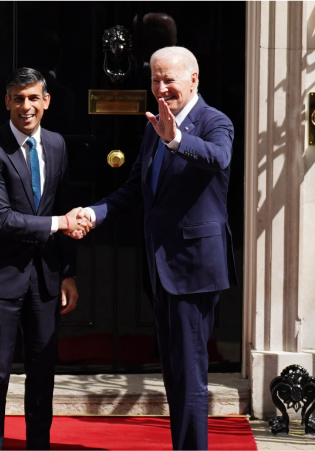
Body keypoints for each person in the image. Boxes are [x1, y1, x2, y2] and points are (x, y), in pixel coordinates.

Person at [76, 46, 237, 451]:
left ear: (194, 79)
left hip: (195, 268)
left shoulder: (215, 122)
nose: (161, 88)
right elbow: (136, 189)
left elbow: (218, 158)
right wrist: (95, 213)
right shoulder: (153, 127)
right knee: (174, 373)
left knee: (190, 374)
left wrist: (177, 139)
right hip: (161, 267)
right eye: (155, 80)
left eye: (170, 79)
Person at [0, 67, 90, 451]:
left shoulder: (56, 145)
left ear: (46, 101)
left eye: (33, 98)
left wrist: (68, 273)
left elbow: (63, 203)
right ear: (7, 102)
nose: (26, 106)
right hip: (1, 275)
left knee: (43, 374)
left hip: (46, 277)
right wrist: (59, 223)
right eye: (18, 98)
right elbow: (1, 218)